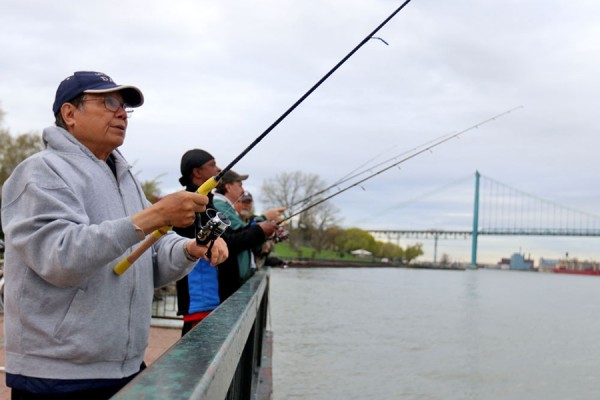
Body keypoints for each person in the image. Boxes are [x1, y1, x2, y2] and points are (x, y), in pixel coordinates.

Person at [0, 71, 228, 400]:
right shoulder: (38, 172)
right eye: (108, 102)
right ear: (69, 113)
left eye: (124, 106)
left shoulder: (125, 178)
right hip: (57, 375)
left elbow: (151, 254)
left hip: (125, 368)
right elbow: (60, 257)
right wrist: (153, 216)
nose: (121, 113)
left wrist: (191, 248)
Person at [175, 150, 278, 335]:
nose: (219, 169)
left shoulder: (206, 202)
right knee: (199, 355)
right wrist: (259, 230)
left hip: (213, 296)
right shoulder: (188, 203)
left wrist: (258, 229)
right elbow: (227, 241)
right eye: (213, 165)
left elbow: (226, 237)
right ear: (197, 172)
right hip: (201, 298)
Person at [213, 172, 283, 301]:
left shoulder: (227, 207)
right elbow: (238, 237)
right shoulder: (220, 206)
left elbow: (244, 233)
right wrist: (264, 219)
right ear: (228, 187)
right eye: (240, 185)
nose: (243, 190)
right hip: (227, 285)